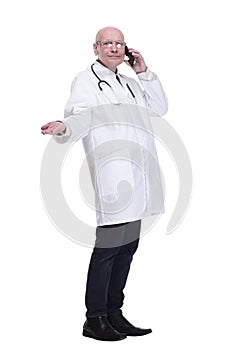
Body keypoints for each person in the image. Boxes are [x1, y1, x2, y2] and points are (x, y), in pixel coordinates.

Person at [41, 26, 168, 341]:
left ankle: (114, 312)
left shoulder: (129, 83)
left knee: (128, 248)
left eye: (119, 43)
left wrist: (145, 73)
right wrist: (64, 126)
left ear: (126, 49)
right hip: (114, 174)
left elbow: (159, 108)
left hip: (139, 175)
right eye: (107, 43)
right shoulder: (85, 81)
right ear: (95, 48)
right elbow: (80, 115)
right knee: (108, 249)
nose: (113, 48)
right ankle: (94, 318)